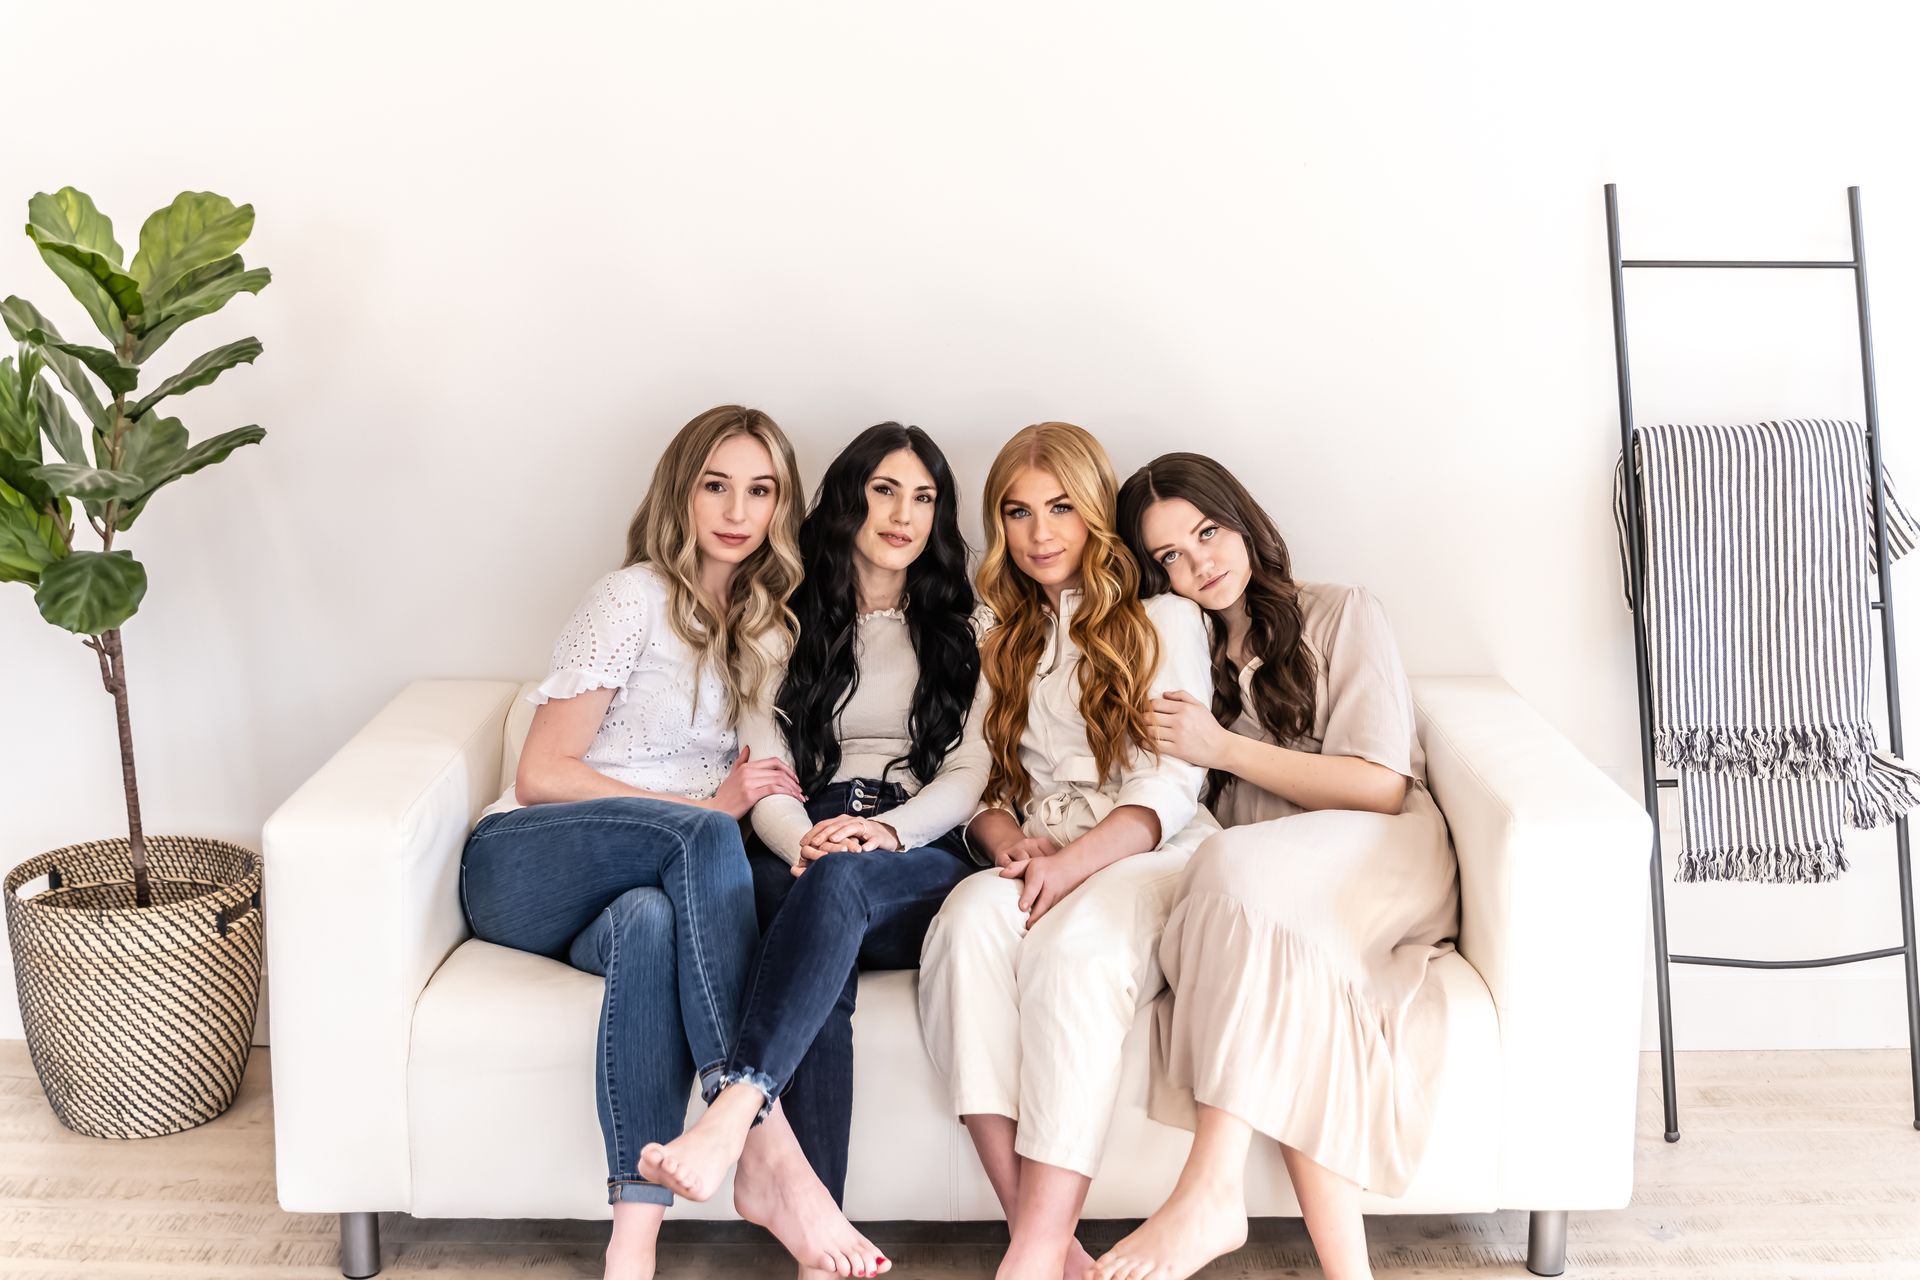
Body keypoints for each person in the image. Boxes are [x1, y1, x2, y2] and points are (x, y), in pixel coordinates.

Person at [458, 405, 891, 1280]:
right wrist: (711, 805)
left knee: (653, 929)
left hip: (629, 890)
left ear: (781, 506)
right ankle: (763, 1146)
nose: (737, 510)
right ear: (680, 493)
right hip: (526, 863)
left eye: (760, 491)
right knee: (700, 838)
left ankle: (633, 1244)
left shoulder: (768, 624)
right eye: (716, 486)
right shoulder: (631, 599)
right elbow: (544, 771)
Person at [1092, 452, 1458, 1280]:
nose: (1197, 564)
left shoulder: (1340, 613)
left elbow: (1379, 785)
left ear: (1242, 519)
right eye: (1169, 558)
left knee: (1236, 867)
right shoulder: (1182, 654)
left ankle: (1209, 1191)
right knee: (1287, 971)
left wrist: (1222, 748)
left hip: (1381, 855)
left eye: (1207, 532)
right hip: (1276, 897)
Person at [637, 422, 989, 1280]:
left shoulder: (970, 623)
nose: (904, 515)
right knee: (814, 938)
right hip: (802, 834)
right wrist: (804, 842)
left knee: (834, 892)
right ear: (847, 499)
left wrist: (889, 832)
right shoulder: (778, 620)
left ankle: (735, 1111)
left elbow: (973, 767)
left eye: (925, 498)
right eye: (884, 491)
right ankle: (818, 1244)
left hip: (917, 844)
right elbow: (765, 768)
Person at [917, 422, 1218, 1280]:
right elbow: (974, 774)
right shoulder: (998, 629)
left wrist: (1073, 862)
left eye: (1061, 509)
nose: (1039, 533)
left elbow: (1169, 787)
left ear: (1095, 514)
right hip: (1042, 846)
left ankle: (1029, 1258)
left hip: (1146, 850)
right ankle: (1045, 1244)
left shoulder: (1164, 618)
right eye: (1016, 512)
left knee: (1076, 953)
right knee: (969, 924)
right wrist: (1010, 841)